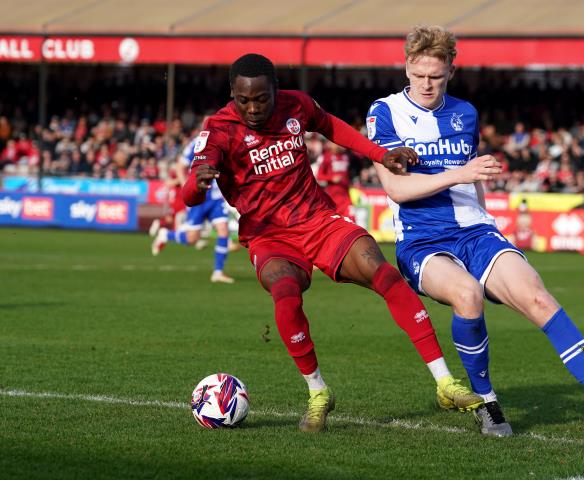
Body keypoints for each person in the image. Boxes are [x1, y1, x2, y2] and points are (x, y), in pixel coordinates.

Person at [368, 24, 584, 443]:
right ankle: (487, 402)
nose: (426, 84)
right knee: (467, 295)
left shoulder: (465, 113)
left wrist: (485, 213)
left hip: (476, 231)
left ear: (451, 71)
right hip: (422, 241)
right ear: (406, 67)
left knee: (538, 297)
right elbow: (396, 188)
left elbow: (474, 175)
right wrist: (459, 173)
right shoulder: (384, 113)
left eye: (436, 76)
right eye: (419, 74)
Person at [182, 53, 482, 433]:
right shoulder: (219, 130)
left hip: (318, 220)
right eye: (244, 100)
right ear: (232, 94)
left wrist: (381, 155)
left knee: (382, 272)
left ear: (276, 90)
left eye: (261, 98)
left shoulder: (296, 105)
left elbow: (331, 126)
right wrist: (199, 184)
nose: (253, 108)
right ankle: (318, 391)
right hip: (268, 235)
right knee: (285, 291)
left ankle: (445, 383)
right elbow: (189, 195)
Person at [152, 137, 235, 284]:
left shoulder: (225, 139)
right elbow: (180, 166)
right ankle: (166, 234)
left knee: (223, 231)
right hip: (199, 197)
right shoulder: (197, 143)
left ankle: (218, 272)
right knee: (192, 239)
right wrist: (187, 186)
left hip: (216, 198)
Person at [315, 141, 354, 220]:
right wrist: (331, 178)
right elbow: (319, 176)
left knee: (352, 219)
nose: (337, 145)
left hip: (345, 196)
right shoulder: (326, 157)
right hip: (332, 197)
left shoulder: (346, 156)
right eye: (334, 143)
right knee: (336, 221)